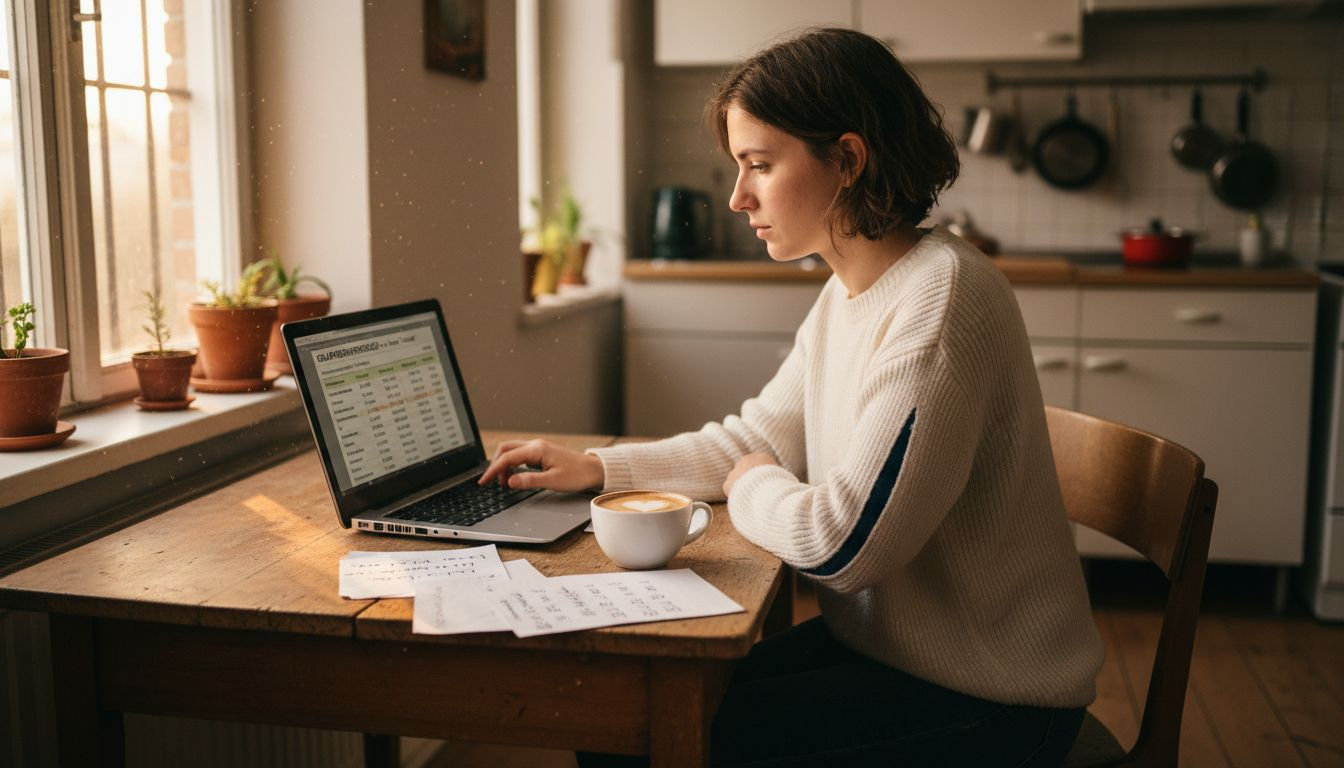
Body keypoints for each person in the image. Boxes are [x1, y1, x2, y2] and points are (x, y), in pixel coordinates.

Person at [480, 27, 1102, 767]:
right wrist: (600, 469)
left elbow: (840, 546)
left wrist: (753, 484)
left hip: (994, 699)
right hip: (896, 655)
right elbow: (754, 436)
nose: (740, 196)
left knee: (634, 740)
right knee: (616, 710)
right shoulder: (853, 291)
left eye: (760, 165)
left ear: (847, 159)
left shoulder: (941, 301)